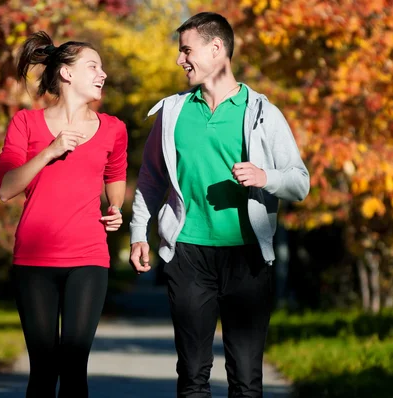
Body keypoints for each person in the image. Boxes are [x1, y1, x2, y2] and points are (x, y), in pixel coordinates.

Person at [128, 12, 310, 398]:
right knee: (192, 374)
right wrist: (138, 233)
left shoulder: (262, 112)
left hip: (247, 258)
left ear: (216, 50)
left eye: (186, 50)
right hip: (189, 254)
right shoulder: (172, 113)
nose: (180, 60)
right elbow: (151, 178)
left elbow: (300, 181)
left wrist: (266, 177)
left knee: (246, 378)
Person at [0, 31, 127, 398]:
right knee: (43, 370)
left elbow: (115, 175)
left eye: (102, 68)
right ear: (67, 74)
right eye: (93, 66)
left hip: (88, 258)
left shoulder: (113, 129)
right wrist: (49, 152)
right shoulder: (25, 123)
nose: (102, 74)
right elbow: (7, 188)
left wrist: (115, 206)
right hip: (34, 260)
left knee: (72, 368)